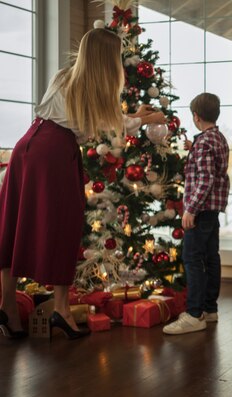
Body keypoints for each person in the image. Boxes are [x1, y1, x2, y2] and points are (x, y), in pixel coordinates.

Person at [0, 28, 165, 340]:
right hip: (54, 152)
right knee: (63, 224)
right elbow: (112, 123)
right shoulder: (96, 87)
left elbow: (100, 116)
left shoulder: (66, 76)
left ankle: (7, 307)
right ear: (107, 58)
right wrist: (145, 118)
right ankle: (60, 310)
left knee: (15, 222)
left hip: (29, 145)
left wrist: (132, 116)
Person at [163, 92, 229, 335]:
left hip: (200, 210)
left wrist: (190, 209)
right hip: (213, 210)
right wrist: (194, 149)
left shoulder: (203, 143)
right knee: (211, 257)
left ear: (196, 116)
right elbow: (214, 169)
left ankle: (194, 314)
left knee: (192, 258)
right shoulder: (217, 138)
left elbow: (205, 179)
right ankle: (210, 309)